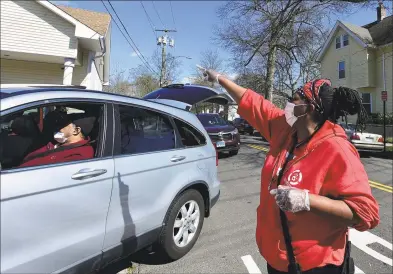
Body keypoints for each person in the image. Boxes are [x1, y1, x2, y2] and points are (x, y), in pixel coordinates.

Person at [202, 70, 379, 274]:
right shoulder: (286, 131)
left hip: (316, 266)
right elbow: (254, 103)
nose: (287, 105)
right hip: (279, 262)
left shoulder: (336, 148)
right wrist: (220, 79)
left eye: (294, 100)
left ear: (308, 108)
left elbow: (366, 213)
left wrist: (306, 201)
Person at [20, 111, 94, 167]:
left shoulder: (81, 154)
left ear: (76, 131)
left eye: (63, 125)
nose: (57, 128)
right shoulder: (55, 143)